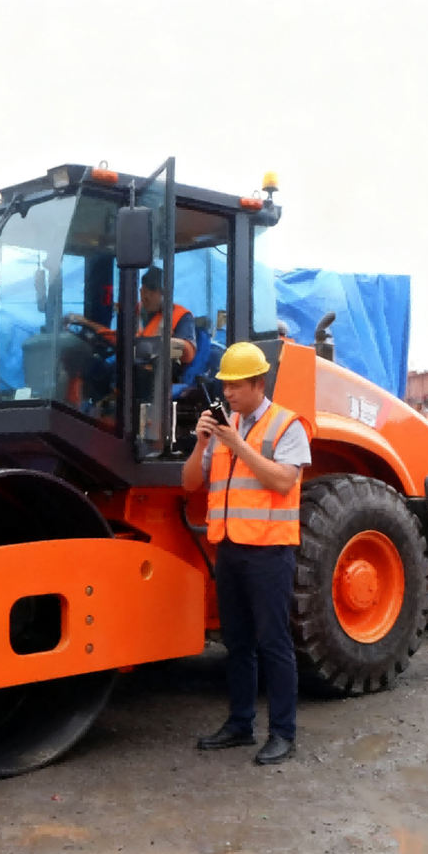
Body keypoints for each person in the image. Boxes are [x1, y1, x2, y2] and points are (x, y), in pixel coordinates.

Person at [181, 341, 311, 765]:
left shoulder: (287, 425)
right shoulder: (225, 428)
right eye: (225, 385)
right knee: (236, 643)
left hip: (269, 552)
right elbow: (189, 483)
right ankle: (240, 725)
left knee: (274, 643)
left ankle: (283, 734)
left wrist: (236, 444)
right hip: (230, 548)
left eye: (236, 385)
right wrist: (201, 443)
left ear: (259, 383)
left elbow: (283, 481)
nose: (228, 393)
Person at [66, 266, 196, 364]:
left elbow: (188, 353)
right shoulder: (136, 310)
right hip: (130, 370)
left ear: (165, 294)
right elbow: (119, 338)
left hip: (158, 381)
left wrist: (144, 348)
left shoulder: (181, 316)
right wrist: (85, 322)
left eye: (152, 293)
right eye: (143, 292)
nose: (145, 298)